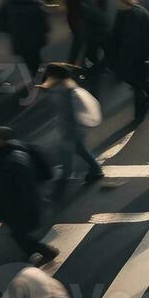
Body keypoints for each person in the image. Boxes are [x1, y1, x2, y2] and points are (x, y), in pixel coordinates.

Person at [36, 62, 104, 197]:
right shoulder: (67, 85)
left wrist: (67, 133)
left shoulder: (64, 91)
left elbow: (68, 113)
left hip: (70, 130)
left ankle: (57, 192)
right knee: (80, 149)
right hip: (75, 129)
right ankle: (96, 170)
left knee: (65, 162)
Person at [106, 0, 149, 123]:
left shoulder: (136, 16)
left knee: (135, 82)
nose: (114, 3)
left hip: (139, 55)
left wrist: (121, 62)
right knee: (136, 81)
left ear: (123, 0)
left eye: (116, 0)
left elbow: (133, 43)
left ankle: (139, 115)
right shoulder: (124, 12)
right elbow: (116, 34)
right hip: (133, 54)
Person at [0, 0, 50, 81]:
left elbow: (1, 22)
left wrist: (8, 30)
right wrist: (44, 31)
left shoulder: (7, 2)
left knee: (27, 59)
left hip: (19, 36)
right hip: (35, 35)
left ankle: (40, 78)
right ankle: (43, 77)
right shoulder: (34, 0)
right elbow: (43, 17)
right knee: (36, 57)